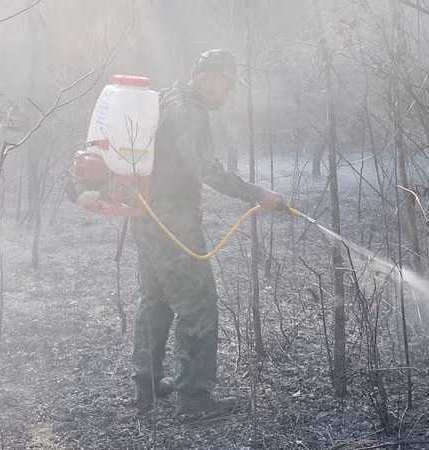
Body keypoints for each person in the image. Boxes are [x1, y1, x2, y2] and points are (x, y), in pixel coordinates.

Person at [130, 49, 288, 415]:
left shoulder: (167, 98)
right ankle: (193, 397)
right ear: (206, 77)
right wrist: (257, 194)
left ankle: (146, 386)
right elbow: (209, 171)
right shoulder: (190, 112)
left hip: (145, 216)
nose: (227, 93)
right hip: (174, 224)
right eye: (226, 84)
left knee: (154, 300)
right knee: (198, 304)